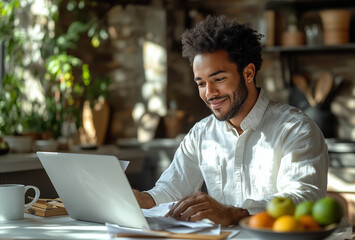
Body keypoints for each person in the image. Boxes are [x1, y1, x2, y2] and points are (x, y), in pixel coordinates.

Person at [133, 15, 329, 227]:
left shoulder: (296, 129)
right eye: (201, 83)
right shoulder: (201, 134)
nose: (209, 93)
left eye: (219, 79)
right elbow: (171, 190)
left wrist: (234, 213)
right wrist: (143, 200)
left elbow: (303, 197)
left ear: (248, 73)